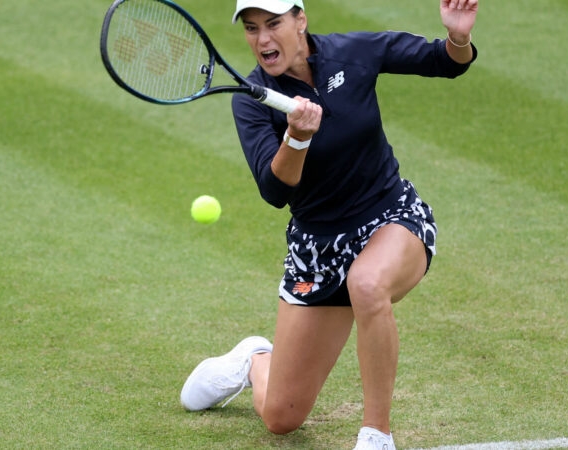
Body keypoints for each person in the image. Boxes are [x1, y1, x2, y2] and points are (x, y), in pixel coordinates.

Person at [180, 0, 478, 448]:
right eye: (252, 28)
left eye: (273, 23)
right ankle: (254, 360)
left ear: (300, 20)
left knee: (368, 283)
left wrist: (457, 37)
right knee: (281, 417)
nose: (262, 39)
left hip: (390, 217)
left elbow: (445, 63)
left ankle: (377, 434)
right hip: (317, 249)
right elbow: (275, 190)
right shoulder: (252, 99)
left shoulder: (353, 52)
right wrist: (297, 136)